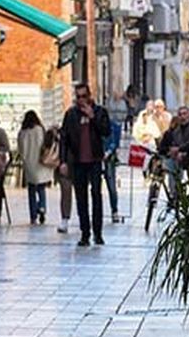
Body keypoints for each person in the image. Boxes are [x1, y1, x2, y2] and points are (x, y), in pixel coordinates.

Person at [61, 82, 112, 246]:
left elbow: (106, 131)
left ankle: (98, 233)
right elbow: (64, 139)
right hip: (78, 162)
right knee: (81, 198)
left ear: (90, 96)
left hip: (95, 160)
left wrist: (93, 117)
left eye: (84, 96)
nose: (81, 100)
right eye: (78, 97)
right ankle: (85, 233)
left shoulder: (99, 112)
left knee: (96, 195)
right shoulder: (71, 115)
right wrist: (63, 161)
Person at [18, 111, 51, 225]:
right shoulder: (40, 130)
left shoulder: (23, 132)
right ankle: (42, 207)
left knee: (31, 190)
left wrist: (24, 160)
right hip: (41, 163)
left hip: (29, 164)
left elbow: (21, 150)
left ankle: (33, 215)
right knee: (41, 188)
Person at [102, 106, 124, 223]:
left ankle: (114, 210)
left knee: (112, 187)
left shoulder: (111, 126)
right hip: (96, 158)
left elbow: (113, 142)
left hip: (108, 159)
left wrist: (108, 152)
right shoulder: (94, 125)